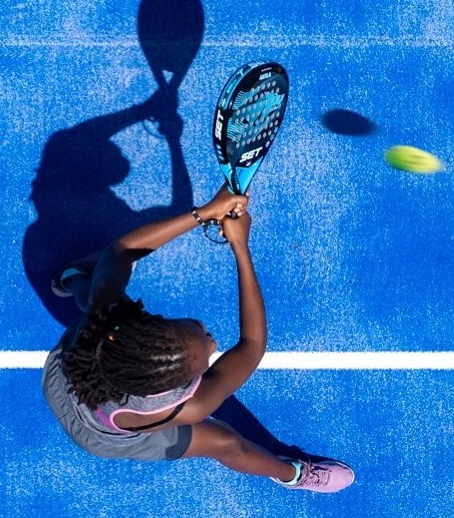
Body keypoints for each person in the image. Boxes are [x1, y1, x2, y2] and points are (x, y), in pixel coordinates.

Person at [41, 185, 354, 493]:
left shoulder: (113, 324)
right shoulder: (181, 409)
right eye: (208, 350)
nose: (212, 342)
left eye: (201, 334)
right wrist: (241, 248)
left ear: (151, 324)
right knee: (226, 442)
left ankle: (74, 277)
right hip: (96, 432)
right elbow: (252, 345)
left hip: (66, 370)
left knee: (98, 303)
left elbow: (121, 251)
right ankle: (293, 473)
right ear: (172, 387)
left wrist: (205, 213)